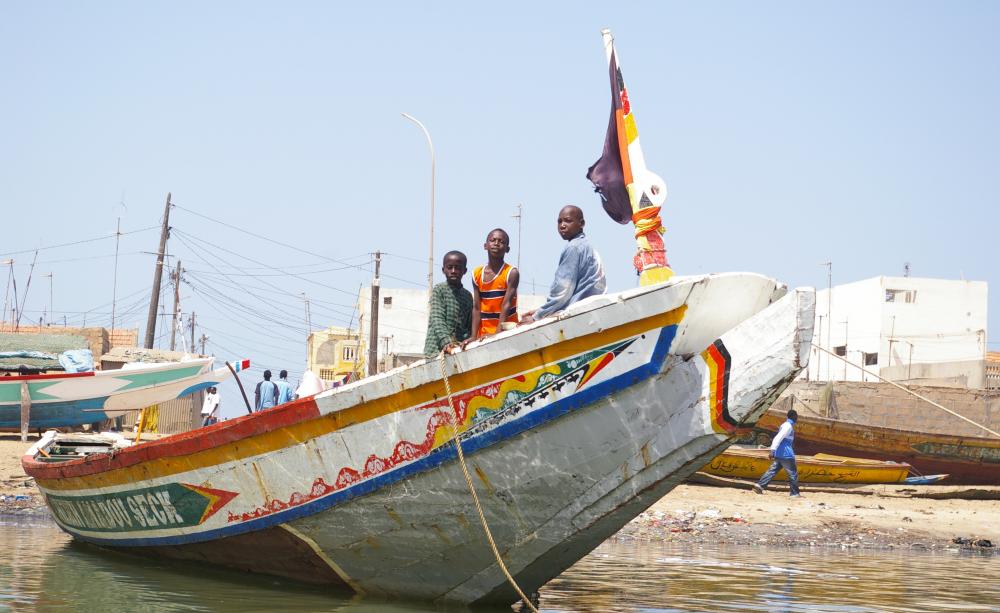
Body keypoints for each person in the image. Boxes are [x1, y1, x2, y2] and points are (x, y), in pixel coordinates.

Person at [522, 205, 606, 323]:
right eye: (559, 221)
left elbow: (562, 291)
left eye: (568, 220)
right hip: (594, 311)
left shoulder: (573, 248)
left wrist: (536, 316)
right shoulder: (587, 247)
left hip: (578, 315)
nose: (562, 225)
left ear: (581, 223)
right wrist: (541, 310)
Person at [471, 228, 520, 339]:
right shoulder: (476, 274)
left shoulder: (511, 273)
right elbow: (477, 307)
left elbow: (506, 304)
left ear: (507, 249)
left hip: (507, 332)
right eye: (493, 240)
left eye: (501, 241)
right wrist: (473, 337)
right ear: (485, 245)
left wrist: (496, 334)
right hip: (483, 334)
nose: (496, 243)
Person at [423, 251, 474, 357]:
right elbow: (437, 320)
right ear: (443, 270)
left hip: (459, 351)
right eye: (450, 267)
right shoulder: (439, 290)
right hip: (435, 351)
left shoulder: (468, 296)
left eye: (458, 268)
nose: (453, 271)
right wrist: (447, 343)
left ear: (464, 271)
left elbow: (469, 326)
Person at [753, 409, 801, 497]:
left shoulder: (785, 425)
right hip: (786, 454)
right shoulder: (788, 426)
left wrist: (774, 451)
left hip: (779, 454)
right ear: (794, 417)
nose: (797, 418)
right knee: (793, 474)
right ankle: (794, 493)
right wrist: (772, 450)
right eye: (796, 417)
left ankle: (760, 485)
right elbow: (777, 438)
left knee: (772, 470)